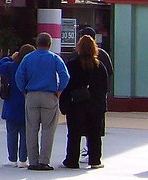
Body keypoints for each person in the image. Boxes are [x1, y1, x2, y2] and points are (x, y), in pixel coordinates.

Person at [14, 32, 69, 171]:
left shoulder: (28, 58)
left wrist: (24, 91)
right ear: (50, 44)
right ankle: (44, 161)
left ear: (36, 43)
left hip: (32, 95)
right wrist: (59, 90)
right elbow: (65, 75)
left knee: (31, 129)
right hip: (49, 95)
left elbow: (19, 76)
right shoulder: (55, 58)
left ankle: (33, 161)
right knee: (48, 129)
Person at [59, 36, 109, 169]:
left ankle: (72, 160)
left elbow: (66, 85)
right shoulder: (99, 66)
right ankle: (95, 160)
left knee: (74, 134)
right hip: (95, 106)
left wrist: (65, 104)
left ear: (79, 48)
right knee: (94, 134)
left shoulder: (72, 65)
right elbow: (105, 87)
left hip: (76, 105)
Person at [0, 44, 34, 168]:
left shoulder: (12, 66)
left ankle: (12, 159)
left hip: (11, 103)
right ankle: (23, 159)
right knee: (25, 133)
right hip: (27, 104)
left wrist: (10, 58)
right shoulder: (31, 68)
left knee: (11, 132)